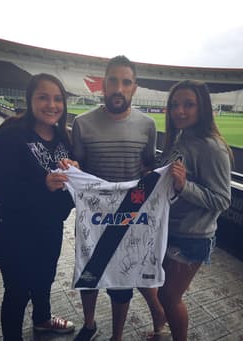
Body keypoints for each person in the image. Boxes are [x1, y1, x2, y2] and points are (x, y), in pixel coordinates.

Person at [68, 55, 165, 341]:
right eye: (113, 81)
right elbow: (79, 167)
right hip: (93, 217)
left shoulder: (147, 125)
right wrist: (72, 168)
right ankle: (89, 325)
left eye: (126, 82)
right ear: (103, 84)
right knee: (89, 274)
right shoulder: (83, 123)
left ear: (134, 88)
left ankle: (117, 336)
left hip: (129, 216)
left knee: (121, 280)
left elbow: (148, 168)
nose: (118, 89)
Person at [0, 73, 78, 340]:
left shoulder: (65, 138)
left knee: (44, 280)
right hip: (13, 231)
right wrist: (43, 184)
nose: (52, 105)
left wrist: (74, 175)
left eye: (58, 99)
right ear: (30, 100)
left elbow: (70, 193)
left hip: (49, 228)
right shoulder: (12, 134)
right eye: (43, 97)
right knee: (17, 291)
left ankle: (42, 320)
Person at [155, 80, 232, 341]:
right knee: (159, 287)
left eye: (189, 104)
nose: (180, 111)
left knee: (168, 296)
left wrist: (184, 185)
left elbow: (222, 200)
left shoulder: (213, 147)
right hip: (170, 229)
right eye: (175, 105)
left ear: (203, 108)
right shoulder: (180, 136)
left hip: (192, 238)